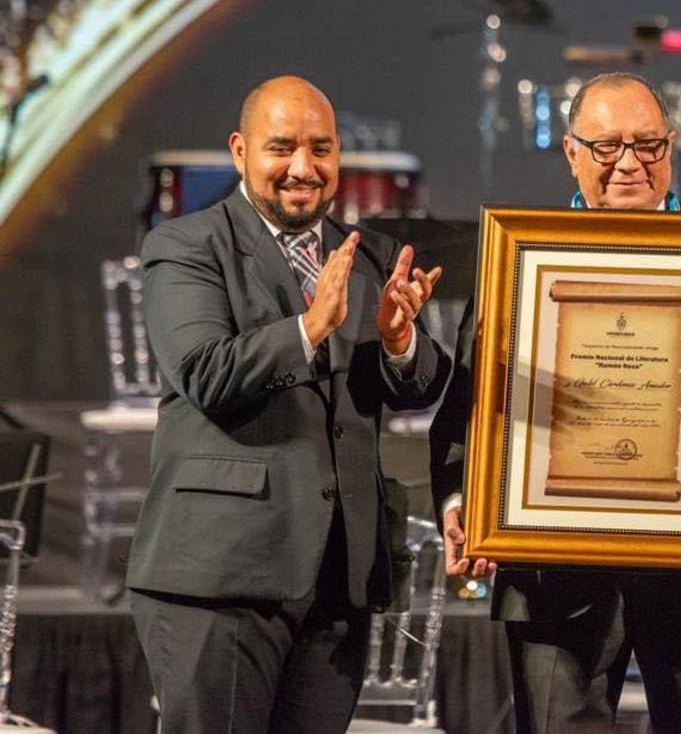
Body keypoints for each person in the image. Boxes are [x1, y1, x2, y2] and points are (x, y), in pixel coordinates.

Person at [429, 72, 681, 733]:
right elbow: (469, 407)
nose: (628, 162)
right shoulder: (520, 255)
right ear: (571, 152)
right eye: (605, 147)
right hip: (554, 571)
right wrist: (468, 503)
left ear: (672, 145)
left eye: (647, 144)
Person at [126, 75, 451, 733]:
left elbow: (416, 386)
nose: (303, 168)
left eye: (321, 149)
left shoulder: (369, 257)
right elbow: (204, 371)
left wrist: (398, 341)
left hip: (338, 580)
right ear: (241, 151)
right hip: (221, 580)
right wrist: (309, 328)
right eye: (282, 148)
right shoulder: (188, 247)